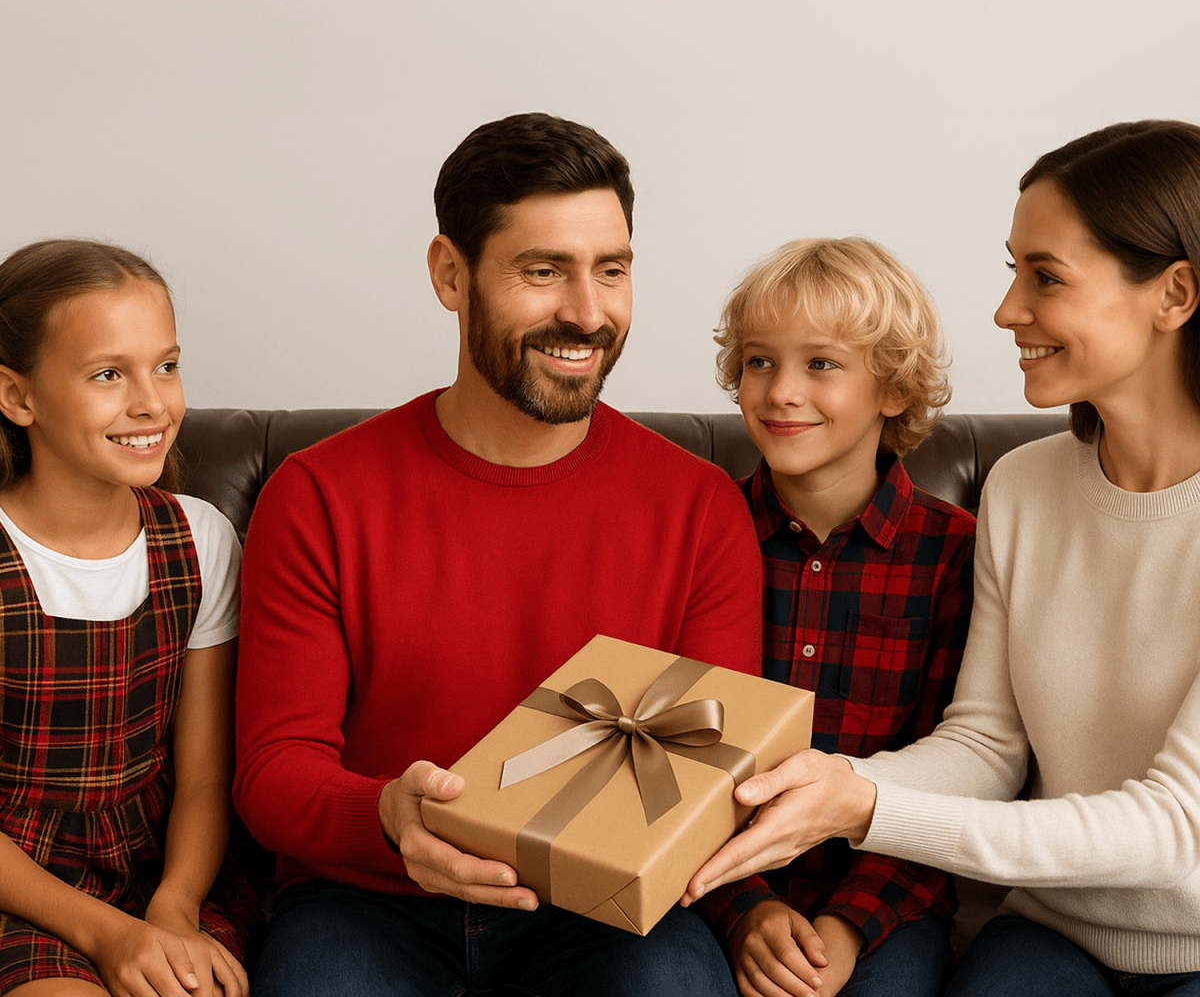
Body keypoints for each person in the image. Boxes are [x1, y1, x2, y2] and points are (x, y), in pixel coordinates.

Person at [234, 112, 763, 997]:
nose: (587, 314)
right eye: (543, 271)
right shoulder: (319, 493)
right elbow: (273, 770)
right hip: (370, 903)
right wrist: (389, 819)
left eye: (613, 271)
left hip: (603, 916)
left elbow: (706, 780)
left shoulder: (699, 507)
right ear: (451, 273)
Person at [686, 120, 1200, 994]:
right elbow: (987, 743)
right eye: (1013, 271)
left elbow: (1175, 830)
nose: (1006, 310)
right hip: (1053, 929)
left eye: (1046, 278)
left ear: (1174, 293)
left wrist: (864, 805)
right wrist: (830, 783)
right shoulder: (1026, 487)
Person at [696, 238, 974, 997]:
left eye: (821, 363)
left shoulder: (956, 554)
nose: (781, 391)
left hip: (888, 901)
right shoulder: (699, 531)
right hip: (710, 887)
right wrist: (745, 910)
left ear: (892, 390)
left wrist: (846, 929)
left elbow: (958, 771)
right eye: (759, 361)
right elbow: (666, 759)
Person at [0, 240, 257, 997]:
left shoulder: (202, 537)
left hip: (157, 874)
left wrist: (174, 908)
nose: (151, 403)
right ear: (17, 397)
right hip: (19, 889)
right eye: (108, 374)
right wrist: (107, 935)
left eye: (167, 365)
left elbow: (205, 778)